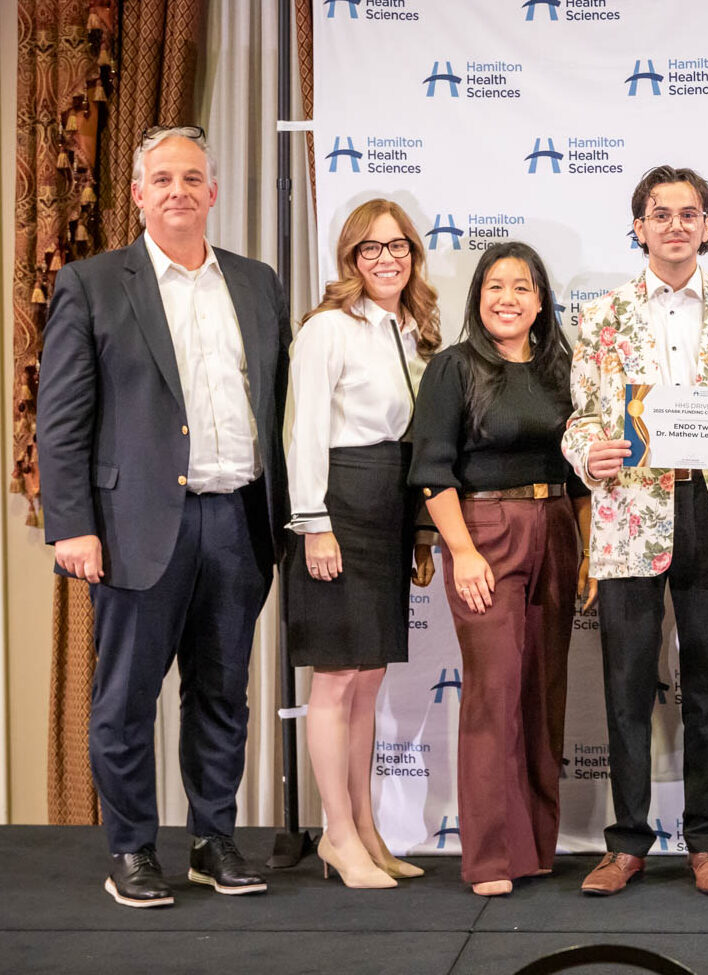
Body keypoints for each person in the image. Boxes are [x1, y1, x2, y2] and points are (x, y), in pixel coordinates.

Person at [37, 125, 289, 908]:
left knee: (222, 695)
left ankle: (215, 840)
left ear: (213, 192)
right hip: (135, 527)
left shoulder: (256, 282)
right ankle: (134, 850)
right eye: (163, 178)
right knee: (126, 698)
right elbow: (62, 419)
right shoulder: (92, 283)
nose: (179, 190)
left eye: (193, 177)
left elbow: (277, 403)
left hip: (238, 519)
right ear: (139, 194)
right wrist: (71, 524)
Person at [562, 165, 708, 897]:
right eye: (662, 214)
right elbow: (582, 419)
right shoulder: (599, 318)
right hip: (630, 511)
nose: (676, 225)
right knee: (625, 683)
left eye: (690, 213)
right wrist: (586, 452)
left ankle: (707, 840)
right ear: (639, 225)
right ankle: (625, 842)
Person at [410, 241, 589, 897]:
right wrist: (461, 550)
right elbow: (432, 470)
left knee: (544, 694)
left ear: (541, 300)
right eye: (494, 286)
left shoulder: (562, 370)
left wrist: (589, 550)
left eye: (521, 286)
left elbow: (580, 475)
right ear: (477, 298)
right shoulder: (454, 368)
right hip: (485, 532)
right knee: (493, 692)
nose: (508, 297)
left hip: (558, 528)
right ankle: (489, 856)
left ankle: (536, 845)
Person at [284, 199, 440, 889]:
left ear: (413, 255)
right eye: (370, 248)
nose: (386, 259)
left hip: (389, 500)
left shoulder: (413, 329)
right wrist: (314, 522)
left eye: (398, 246)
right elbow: (304, 430)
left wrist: (419, 528)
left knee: (370, 675)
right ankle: (336, 834)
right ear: (350, 258)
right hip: (338, 501)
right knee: (337, 675)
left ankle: (367, 828)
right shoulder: (328, 329)